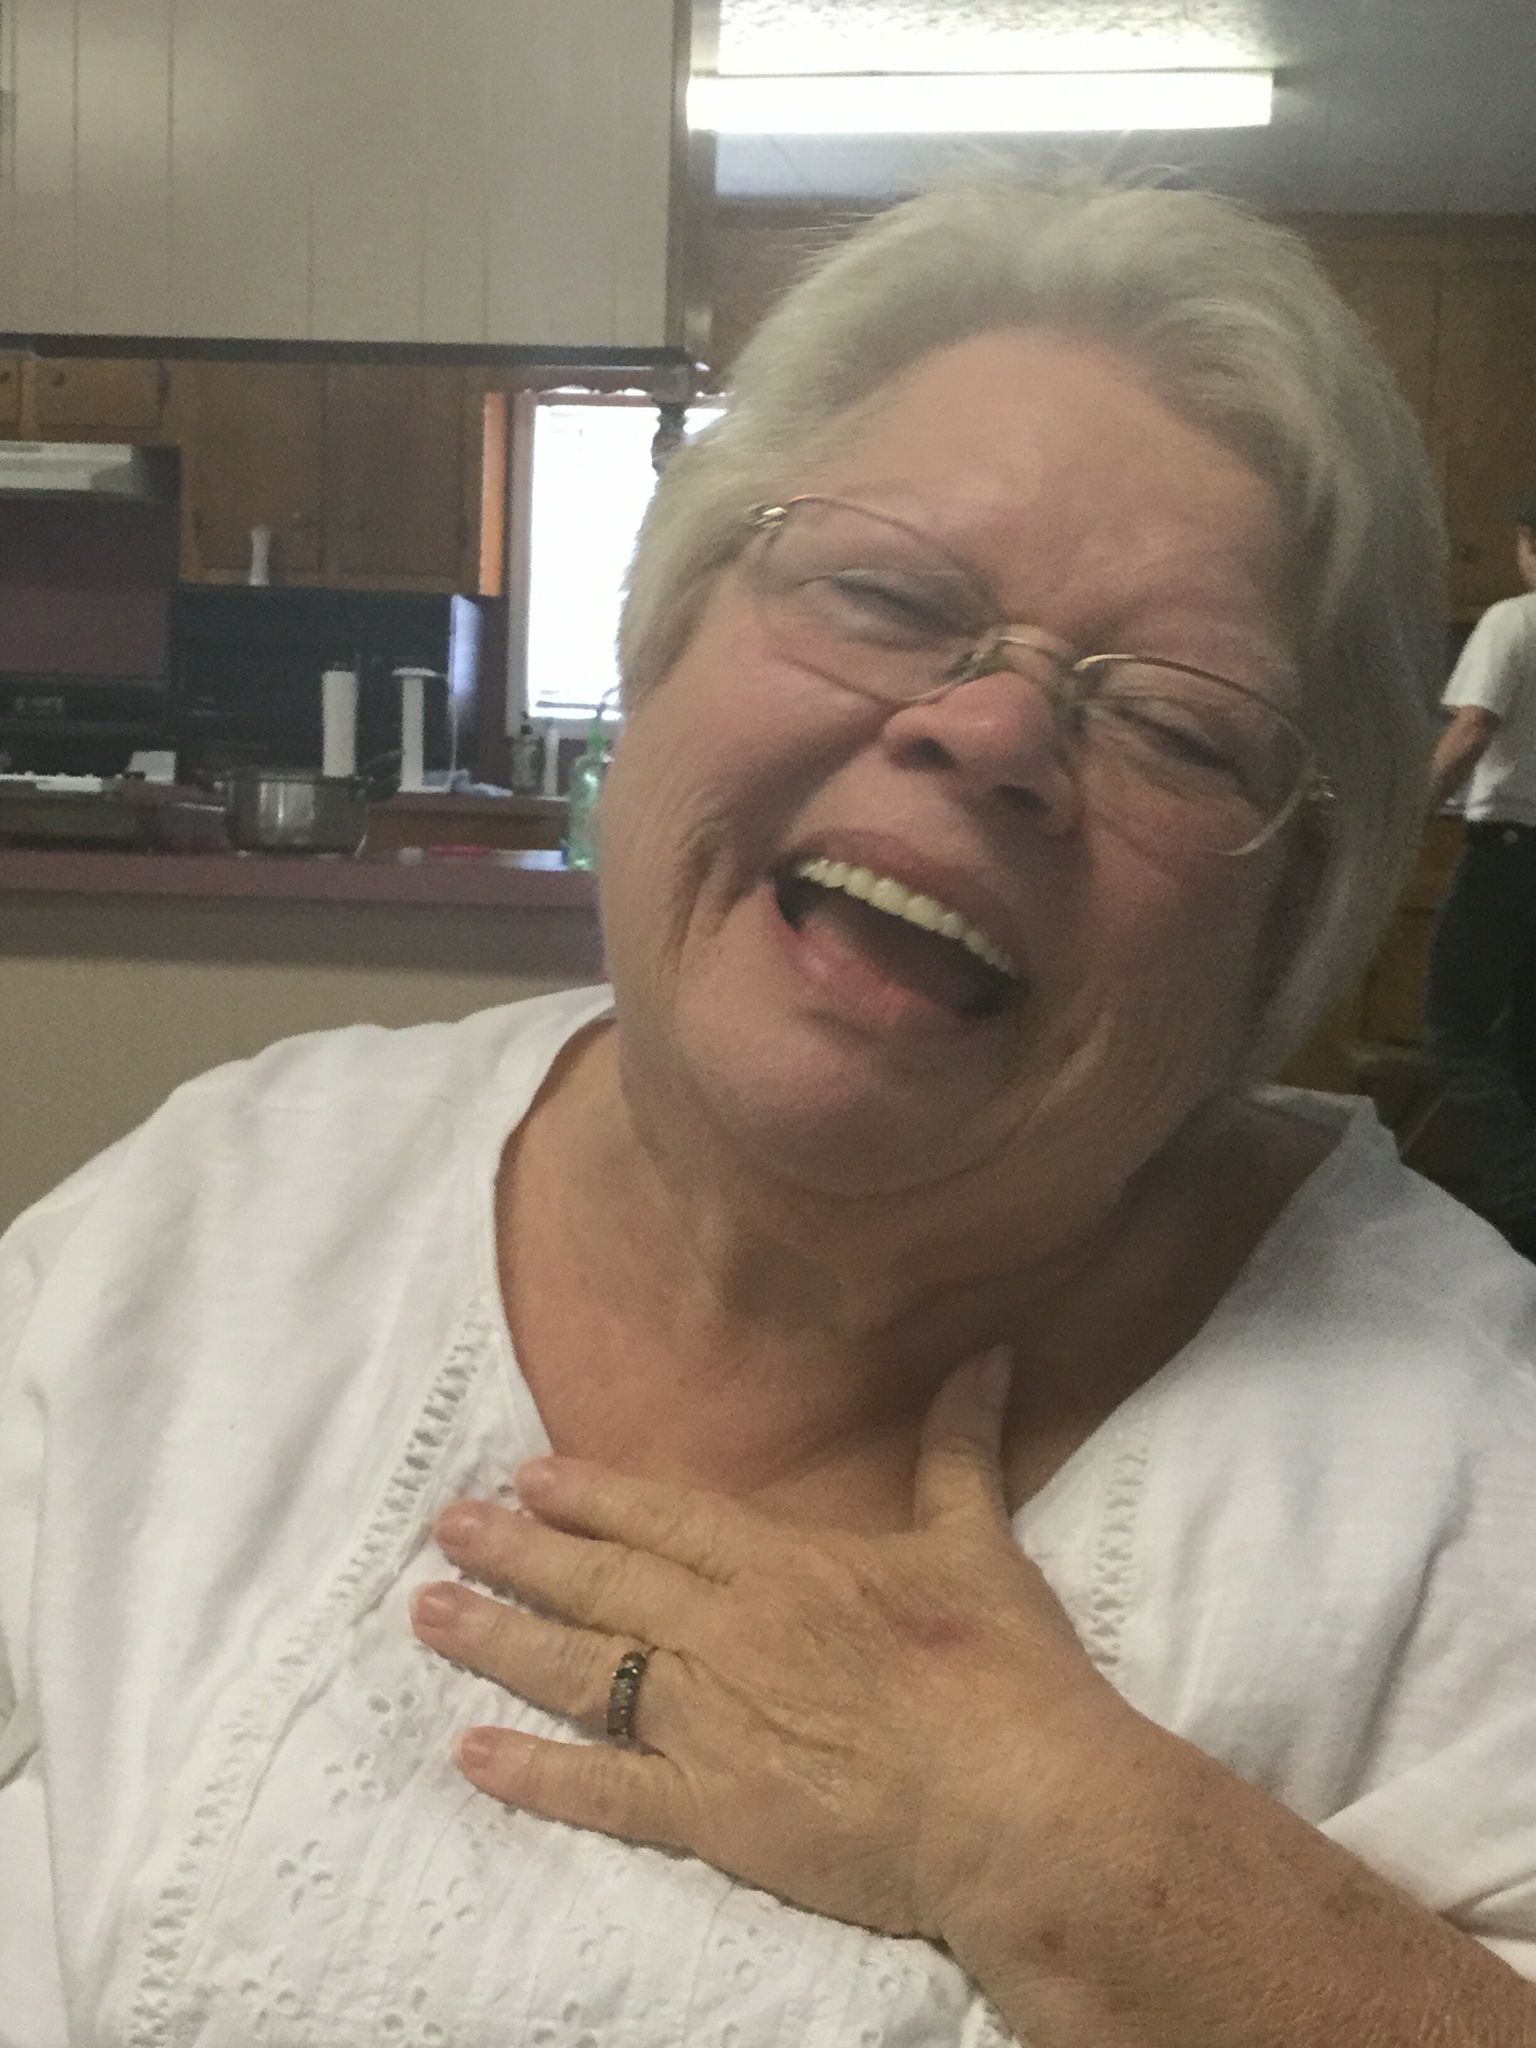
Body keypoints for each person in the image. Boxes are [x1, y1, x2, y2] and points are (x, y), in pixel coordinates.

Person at [3, 177, 1536, 2048]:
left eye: (1176, 724)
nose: (991, 732)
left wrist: (1064, 1844)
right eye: (886, 597)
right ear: (659, 640)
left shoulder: (1470, 1464)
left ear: (1286, 922)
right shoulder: (213, 1212)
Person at [1425, 494, 1536, 1252]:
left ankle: (1524, 1196)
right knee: (1525, 1040)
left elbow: (1472, 729)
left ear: (1527, 542)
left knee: (1454, 1028)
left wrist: (1407, 815)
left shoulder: (1514, 621)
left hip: (1509, 853)